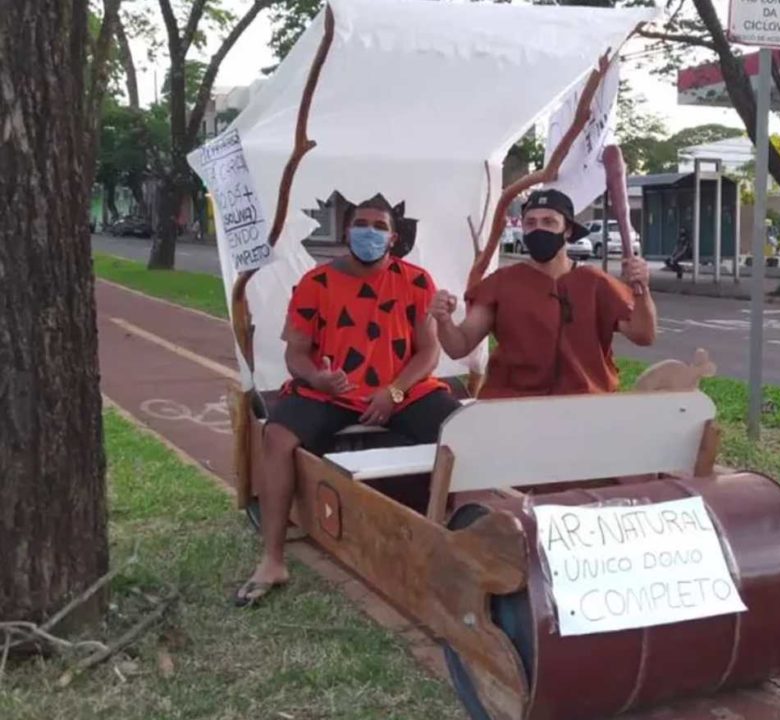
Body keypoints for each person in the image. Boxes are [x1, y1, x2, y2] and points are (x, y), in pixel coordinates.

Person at [234, 195, 460, 607]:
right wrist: (318, 376)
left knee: (460, 432)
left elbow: (428, 353)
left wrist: (394, 392)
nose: (369, 232)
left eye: (379, 226)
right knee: (277, 438)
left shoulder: (416, 280)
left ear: (393, 238)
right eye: (362, 224)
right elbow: (295, 354)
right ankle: (272, 557)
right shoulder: (315, 284)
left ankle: (451, 535)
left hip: (400, 391)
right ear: (346, 231)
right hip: (331, 391)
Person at [431, 188, 656, 398]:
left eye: (549, 222)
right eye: (531, 223)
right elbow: (458, 346)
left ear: (567, 230)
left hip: (585, 402)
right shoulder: (501, 282)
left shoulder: (596, 282)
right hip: (513, 403)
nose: (539, 229)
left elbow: (644, 335)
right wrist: (444, 320)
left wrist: (641, 290)